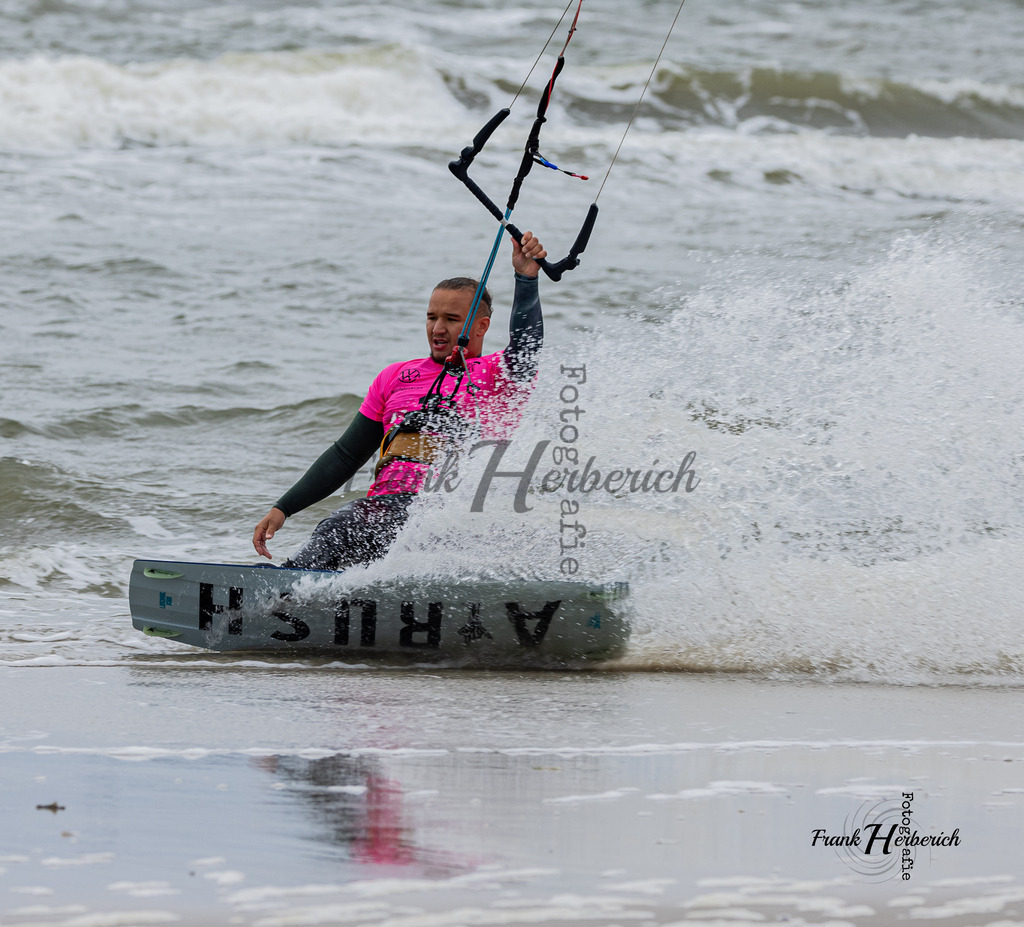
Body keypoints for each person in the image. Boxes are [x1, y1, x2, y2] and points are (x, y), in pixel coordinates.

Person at [252, 232, 548, 570]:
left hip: (458, 514)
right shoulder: (395, 377)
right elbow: (346, 455)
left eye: (451, 319)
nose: (438, 328)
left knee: (351, 525)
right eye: (431, 316)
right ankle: (286, 590)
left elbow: (527, 346)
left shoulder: (499, 374)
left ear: (480, 327)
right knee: (339, 528)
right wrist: (283, 508)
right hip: (386, 511)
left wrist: (526, 279)